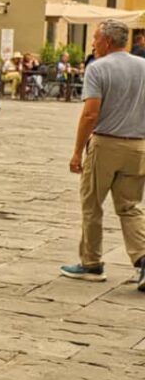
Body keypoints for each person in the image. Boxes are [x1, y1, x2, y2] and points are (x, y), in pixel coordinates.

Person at [62, 19, 145, 292]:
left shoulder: (98, 68)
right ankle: (143, 259)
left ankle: (91, 264)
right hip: (138, 146)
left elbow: (90, 113)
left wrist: (77, 151)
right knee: (130, 206)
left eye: (96, 38)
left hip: (106, 144)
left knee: (92, 203)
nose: (93, 43)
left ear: (108, 41)